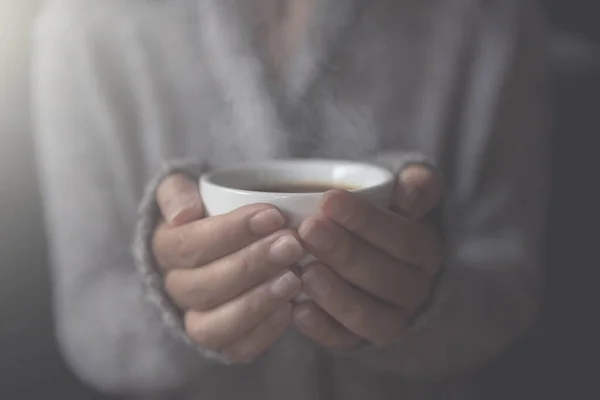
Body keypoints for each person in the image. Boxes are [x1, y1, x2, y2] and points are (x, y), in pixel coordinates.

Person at [31, 0, 549, 399]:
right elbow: (87, 318)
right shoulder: (87, 21)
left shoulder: (489, 19)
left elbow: (511, 284)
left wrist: (425, 299)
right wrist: (174, 299)